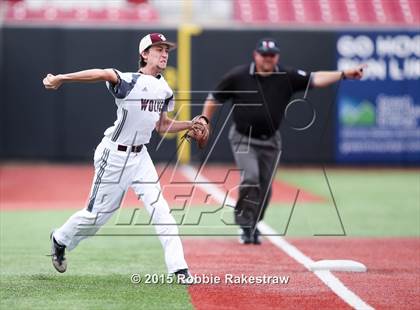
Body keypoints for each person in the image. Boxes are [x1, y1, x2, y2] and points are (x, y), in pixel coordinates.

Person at [43, 33, 195, 284]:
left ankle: (179, 269)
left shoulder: (165, 90)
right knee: (95, 218)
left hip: (141, 157)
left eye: (166, 49)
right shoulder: (128, 81)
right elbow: (101, 72)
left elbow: (163, 126)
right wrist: (62, 78)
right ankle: (60, 239)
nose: (165, 53)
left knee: (161, 211)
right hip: (113, 155)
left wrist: (189, 124)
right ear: (144, 55)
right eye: (158, 49)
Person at [202, 38, 365, 245]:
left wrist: (343, 74)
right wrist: (205, 122)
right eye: (264, 54)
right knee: (251, 178)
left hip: (271, 141)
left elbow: (315, 78)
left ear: (277, 56)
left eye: (272, 55)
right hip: (243, 138)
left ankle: (253, 223)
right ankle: (245, 225)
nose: (268, 58)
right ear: (256, 55)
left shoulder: (286, 75)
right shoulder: (238, 76)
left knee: (265, 188)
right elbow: (213, 97)